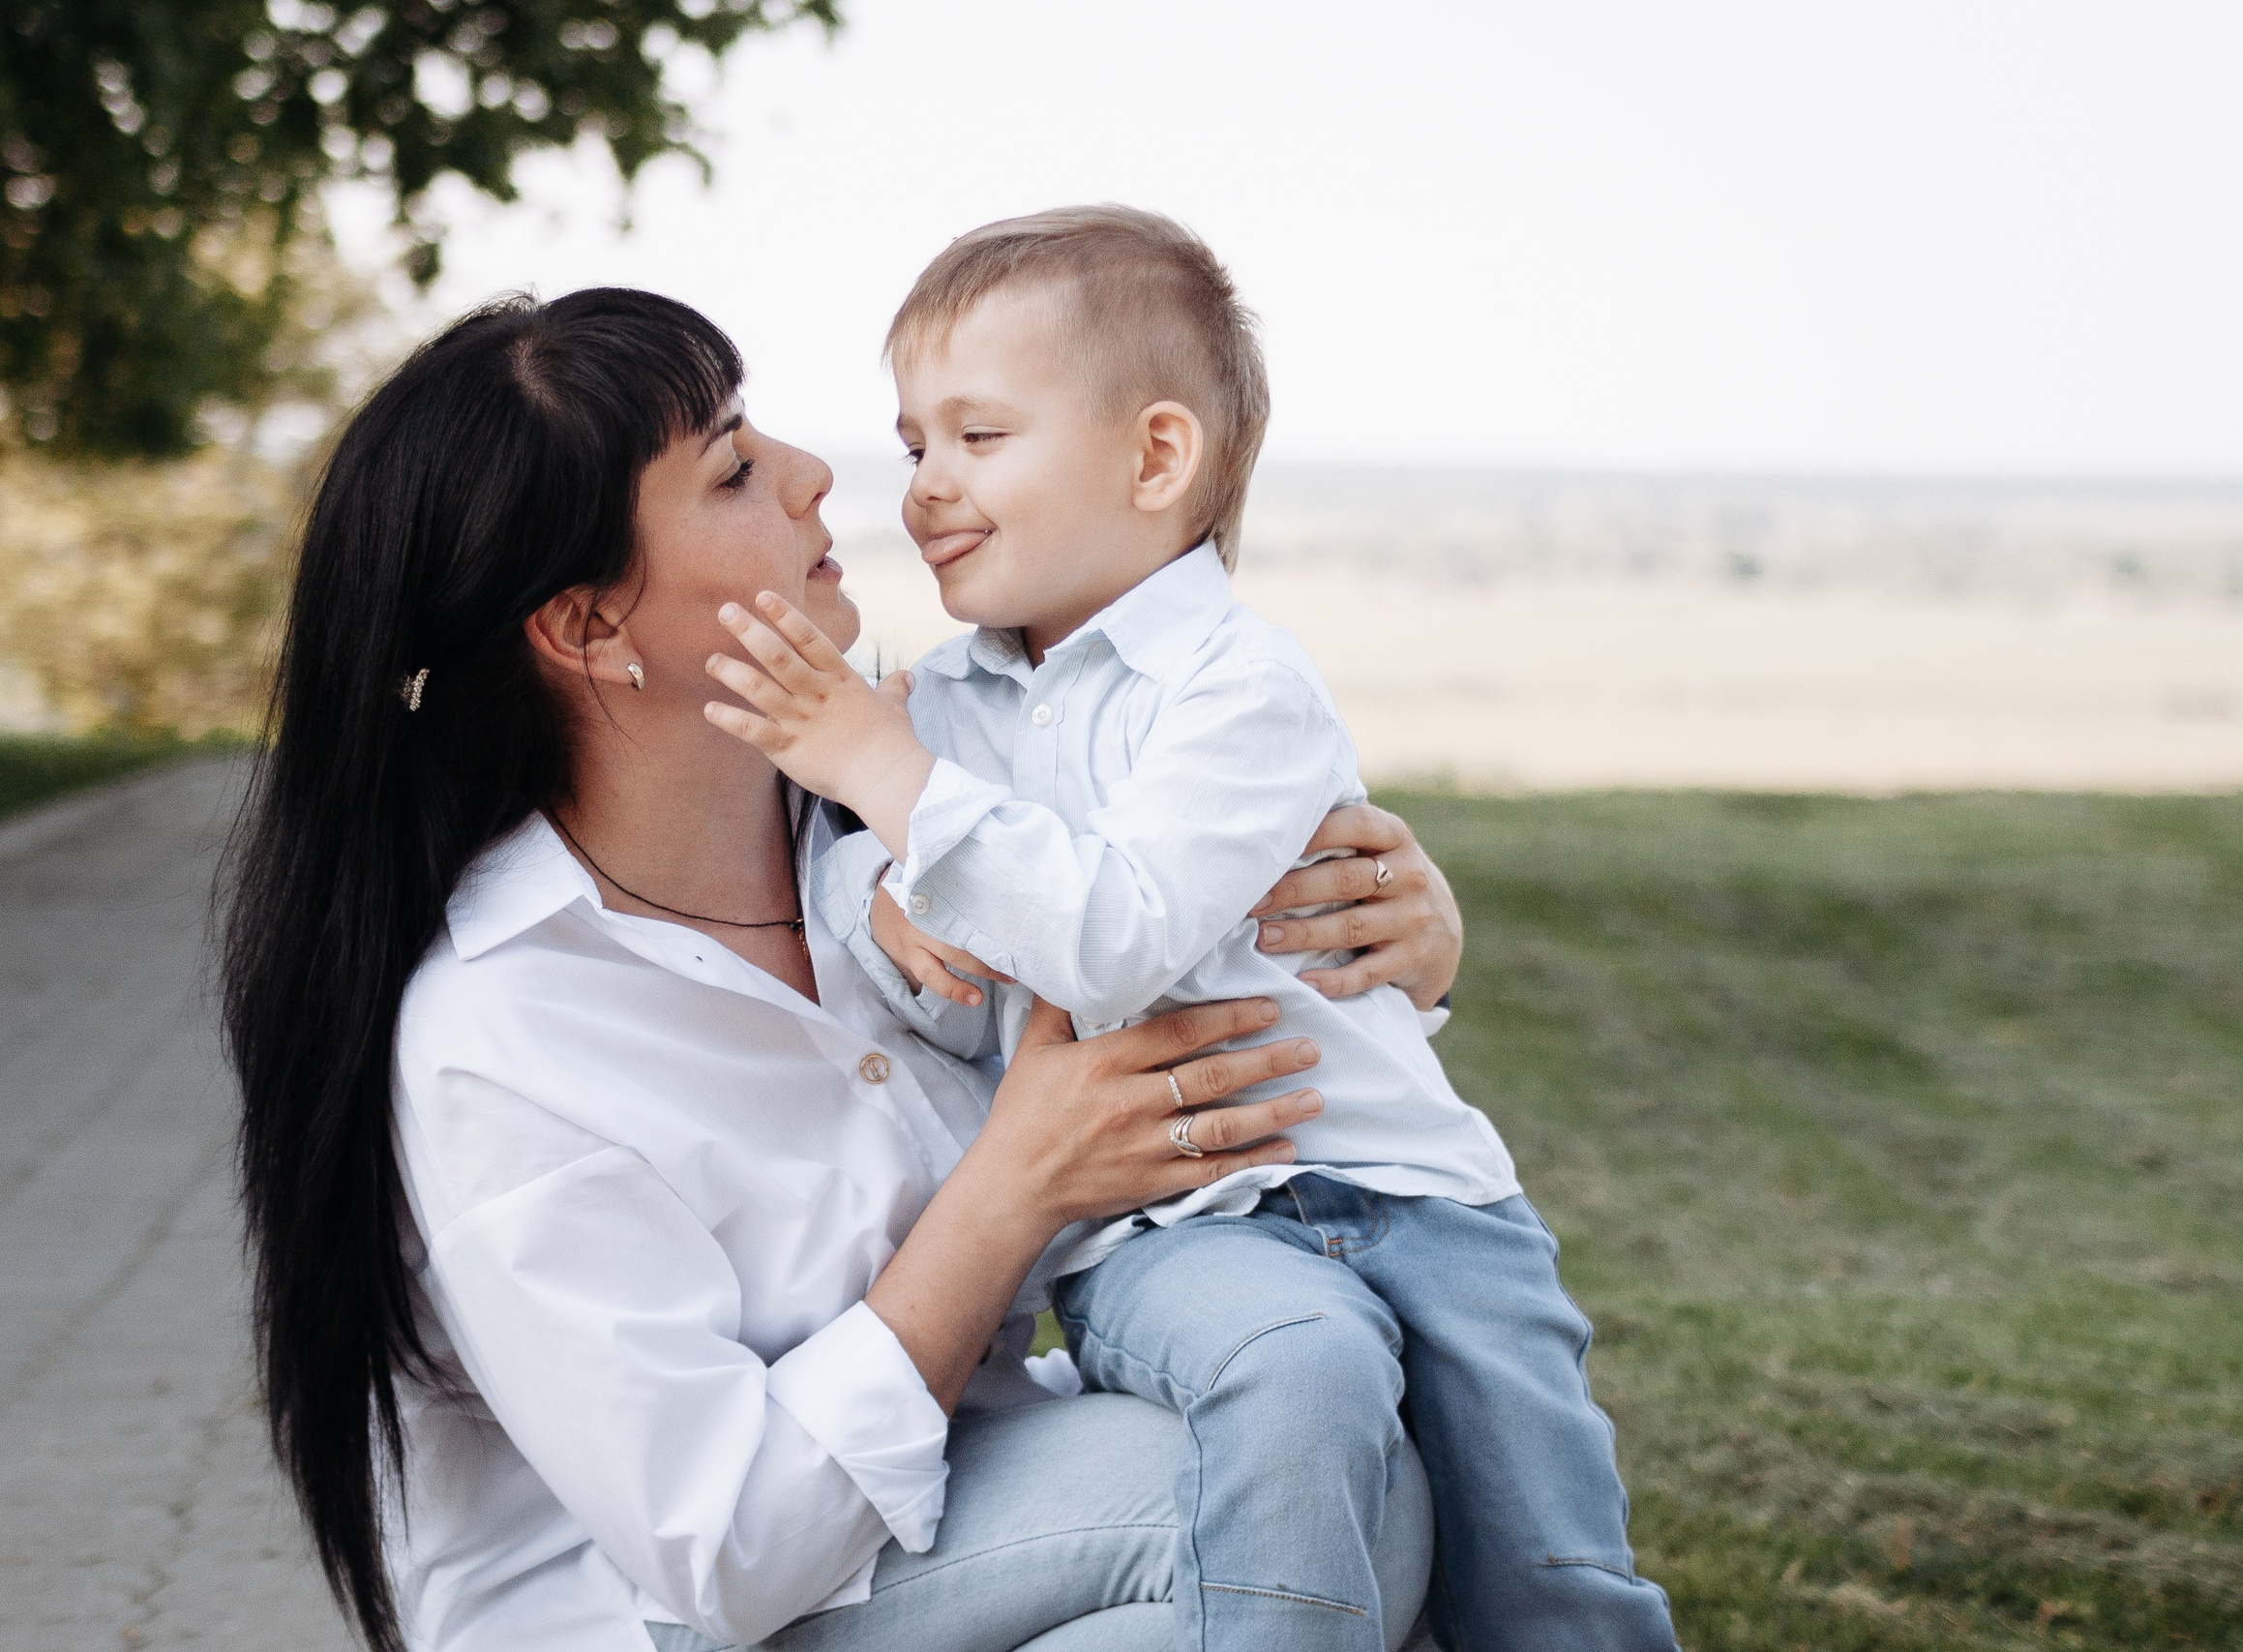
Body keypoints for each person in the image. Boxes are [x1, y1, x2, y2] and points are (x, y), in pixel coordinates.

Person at [220, 287, 1466, 1652]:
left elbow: (1145, 930)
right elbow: (731, 1548)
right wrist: (1011, 1190)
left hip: (932, 1531)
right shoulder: (505, 1027)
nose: (817, 474)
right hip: (683, 1612)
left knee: (1322, 1498)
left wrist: (1388, 944)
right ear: (588, 630)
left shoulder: (903, 824)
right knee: (1266, 1502)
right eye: (735, 470)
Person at [703, 208, 1680, 1651]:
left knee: (1553, 1575)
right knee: (1297, 1377)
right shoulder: (929, 716)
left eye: (978, 438)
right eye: (914, 446)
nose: (921, 490)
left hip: (1423, 1200)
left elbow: (1116, 937)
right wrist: (874, 891)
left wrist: (878, 776)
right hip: (1162, 1234)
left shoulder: (1241, 689)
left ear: (1158, 459)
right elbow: (942, 993)